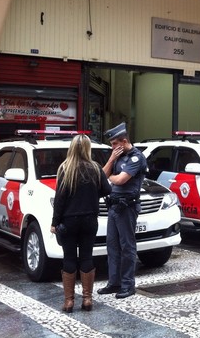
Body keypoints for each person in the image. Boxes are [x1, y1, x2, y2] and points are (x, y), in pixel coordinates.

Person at [51, 134, 112, 313]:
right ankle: (87, 299)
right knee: (87, 257)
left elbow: (59, 199)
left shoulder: (65, 168)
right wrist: (91, 194)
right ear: (87, 149)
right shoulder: (95, 168)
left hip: (69, 221)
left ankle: (69, 302)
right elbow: (107, 189)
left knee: (69, 258)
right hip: (89, 220)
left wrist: (55, 222)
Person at [97, 122, 147, 299]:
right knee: (112, 246)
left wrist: (109, 176)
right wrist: (111, 160)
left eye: (114, 144)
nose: (113, 147)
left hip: (127, 207)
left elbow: (120, 180)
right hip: (114, 206)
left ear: (124, 141)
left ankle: (127, 285)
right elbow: (101, 176)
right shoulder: (117, 157)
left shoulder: (136, 158)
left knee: (127, 246)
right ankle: (114, 283)